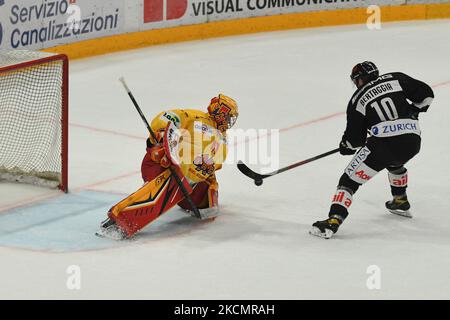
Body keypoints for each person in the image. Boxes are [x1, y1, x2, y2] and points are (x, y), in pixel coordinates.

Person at [310, 61, 434, 239]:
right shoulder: (396, 78)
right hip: (412, 141)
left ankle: (333, 221)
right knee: (395, 162)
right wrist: (414, 111)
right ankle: (400, 201)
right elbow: (427, 95)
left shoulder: (357, 99)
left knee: (348, 181)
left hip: (383, 146)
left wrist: (346, 146)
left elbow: (355, 141)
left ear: (359, 80)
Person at [97, 94, 239, 239]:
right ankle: (119, 221)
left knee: (208, 204)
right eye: (228, 117)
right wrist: (160, 134)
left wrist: (208, 170)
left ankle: (185, 197)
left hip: (189, 183)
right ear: (219, 112)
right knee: (165, 185)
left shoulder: (223, 138)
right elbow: (169, 117)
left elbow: (216, 163)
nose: (229, 121)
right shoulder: (196, 118)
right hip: (161, 165)